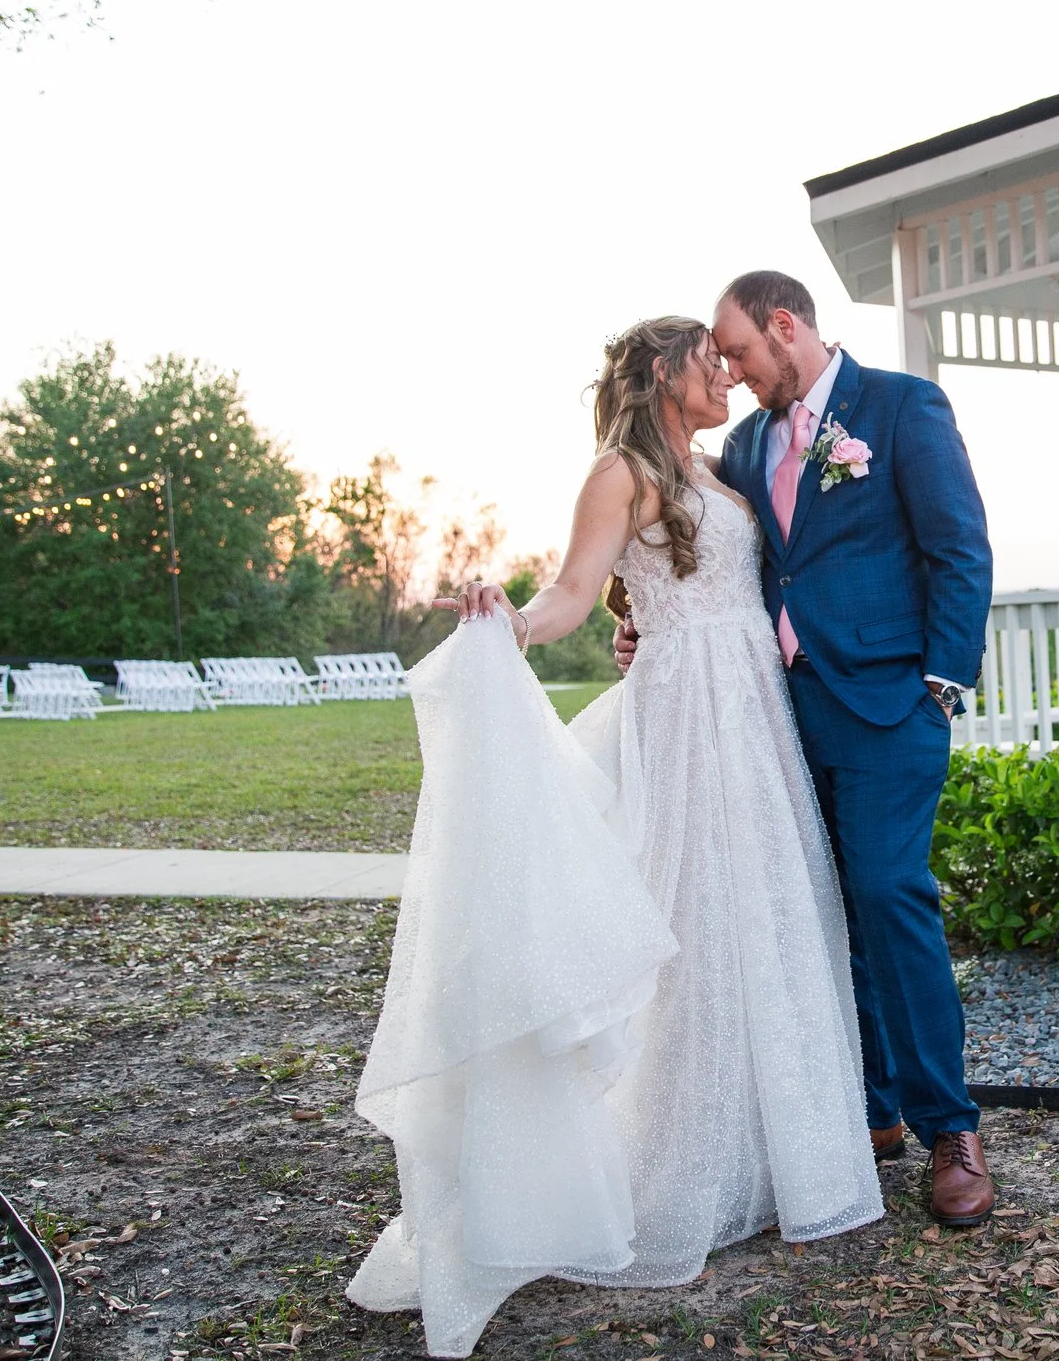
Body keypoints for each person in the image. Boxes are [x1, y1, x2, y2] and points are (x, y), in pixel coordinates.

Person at [346, 316, 882, 1358]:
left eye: (733, 358)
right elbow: (573, 589)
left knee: (764, 915)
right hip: (685, 714)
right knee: (681, 921)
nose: (727, 371)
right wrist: (511, 620)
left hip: (753, 709)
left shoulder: (724, 468)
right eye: (708, 358)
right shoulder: (619, 470)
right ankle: (668, 1162)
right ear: (657, 371)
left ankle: (769, 1156)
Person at [622, 270, 997, 1226]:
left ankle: (950, 1126)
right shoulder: (744, 446)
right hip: (777, 715)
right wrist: (638, 627)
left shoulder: (903, 408)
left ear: (785, 325)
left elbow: (960, 546)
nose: (735, 373)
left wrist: (941, 683)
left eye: (741, 351)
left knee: (886, 891)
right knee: (819, 907)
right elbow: (702, 553)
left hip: (890, 704)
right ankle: (869, 1111)